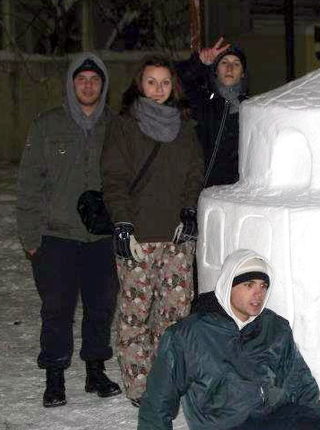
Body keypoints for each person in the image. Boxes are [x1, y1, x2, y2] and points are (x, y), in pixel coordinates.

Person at [16, 53, 122, 407]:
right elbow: (29, 184)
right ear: (71, 83)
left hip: (101, 238)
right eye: (82, 79)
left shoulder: (118, 126)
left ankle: (95, 370)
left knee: (101, 306)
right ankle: (54, 375)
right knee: (56, 308)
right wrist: (31, 239)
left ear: (103, 85)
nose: (88, 85)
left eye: (95, 79)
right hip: (56, 236)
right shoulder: (47, 125)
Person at [137, 249, 320, 430]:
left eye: (263, 286)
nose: (258, 294)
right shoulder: (188, 335)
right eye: (249, 284)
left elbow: (301, 385)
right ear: (228, 285)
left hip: (276, 417)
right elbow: (157, 402)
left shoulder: (275, 328)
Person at [101, 55, 204, 406]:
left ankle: (166, 384)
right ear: (139, 85)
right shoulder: (125, 126)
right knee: (135, 315)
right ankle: (140, 388)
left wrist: (190, 208)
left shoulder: (185, 126)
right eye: (151, 82)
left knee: (174, 317)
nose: (158, 89)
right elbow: (113, 178)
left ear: (173, 86)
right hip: (138, 239)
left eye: (164, 82)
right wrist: (123, 221)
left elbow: (194, 172)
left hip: (176, 238)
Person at [179, 37, 248, 187]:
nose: (230, 68)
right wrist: (199, 62)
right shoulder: (204, 101)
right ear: (216, 70)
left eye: (236, 64)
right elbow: (180, 82)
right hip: (196, 189)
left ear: (243, 73)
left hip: (232, 196)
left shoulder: (250, 109)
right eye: (224, 63)